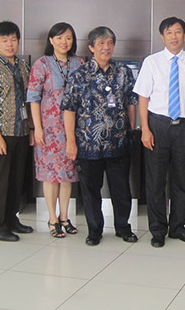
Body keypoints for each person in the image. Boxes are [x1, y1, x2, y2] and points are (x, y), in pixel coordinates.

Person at [61, 26, 138, 246]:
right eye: (101, 43)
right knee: (90, 190)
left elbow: (131, 103)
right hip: (88, 144)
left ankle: (123, 227)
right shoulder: (79, 75)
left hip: (119, 143)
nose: (106, 47)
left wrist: (131, 130)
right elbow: (69, 109)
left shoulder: (123, 72)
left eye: (110, 43)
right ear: (92, 47)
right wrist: (71, 142)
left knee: (121, 189)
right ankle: (94, 230)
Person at [133, 17, 185, 248]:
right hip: (157, 125)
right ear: (162, 36)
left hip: (184, 126)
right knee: (155, 181)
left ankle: (178, 227)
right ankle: (157, 229)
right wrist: (145, 129)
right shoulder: (151, 62)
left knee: (182, 179)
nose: (174, 36)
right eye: (169, 32)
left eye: (178, 32)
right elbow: (143, 97)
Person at [0, 21, 34, 242]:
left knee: (16, 179)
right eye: (5, 40)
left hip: (21, 131)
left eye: (13, 39)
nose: (10, 44)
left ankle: (12, 219)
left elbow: (29, 101)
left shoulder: (23, 66)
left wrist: (30, 128)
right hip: (1, 133)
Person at [27, 23, 84, 238]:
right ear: (51, 40)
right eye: (59, 38)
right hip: (48, 130)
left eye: (68, 38)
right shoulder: (41, 64)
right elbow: (33, 98)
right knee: (50, 176)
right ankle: (52, 218)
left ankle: (64, 216)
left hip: (72, 130)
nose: (64, 42)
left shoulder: (79, 63)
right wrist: (37, 128)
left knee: (68, 175)